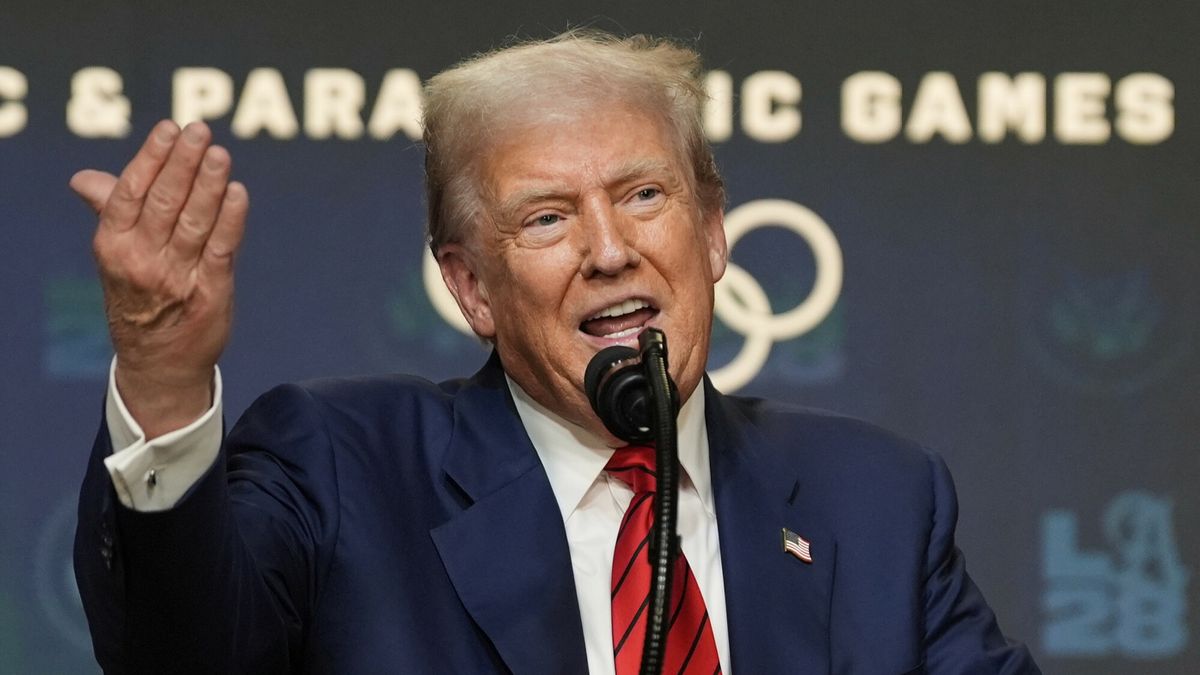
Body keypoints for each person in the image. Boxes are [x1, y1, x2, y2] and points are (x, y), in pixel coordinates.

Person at [71, 31, 1040, 674]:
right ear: (470, 287)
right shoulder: (345, 467)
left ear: (712, 233)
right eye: (547, 217)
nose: (610, 248)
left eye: (644, 196)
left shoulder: (875, 499)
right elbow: (179, 657)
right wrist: (162, 374)